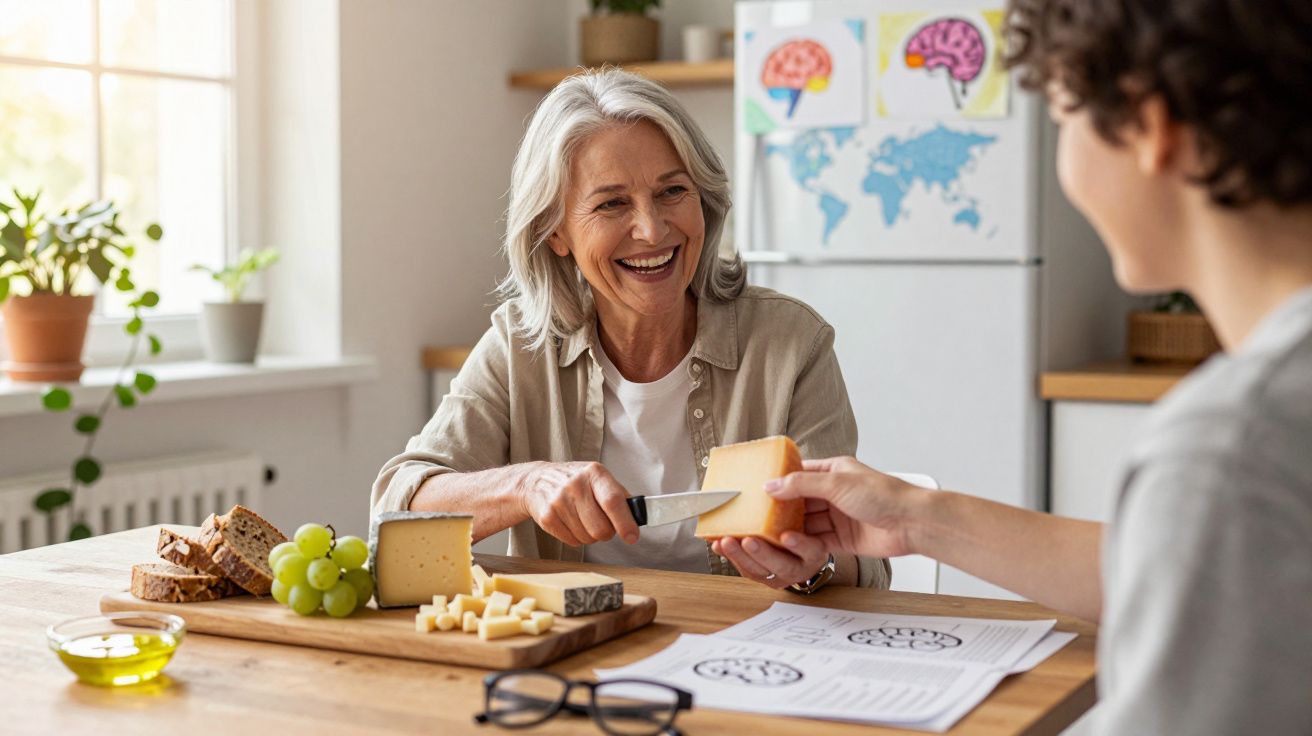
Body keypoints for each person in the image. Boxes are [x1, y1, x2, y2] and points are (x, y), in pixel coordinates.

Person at [765, 0, 1312, 731]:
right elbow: (1186, 571)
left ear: (1147, 125)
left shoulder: (1233, 447)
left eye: (1061, 120)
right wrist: (915, 518)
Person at [372, 69, 890, 591]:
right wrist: (527, 485)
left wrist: (815, 567)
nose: (652, 229)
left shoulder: (792, 342)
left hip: (745, 636)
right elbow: (397, 514)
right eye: (612, 203)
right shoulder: (519, 348)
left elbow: (861, 564)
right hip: (579, 636)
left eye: (672, 191)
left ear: (704, 200)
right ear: (555, 231)